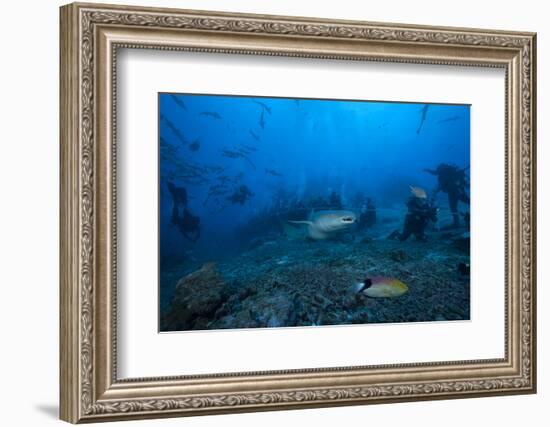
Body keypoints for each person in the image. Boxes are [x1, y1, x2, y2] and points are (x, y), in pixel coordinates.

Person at [423, 163, 469, 228]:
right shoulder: (449, 172)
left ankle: (456, 223)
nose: (438, 172)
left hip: (454, 192)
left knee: (454, 207)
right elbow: (437, 176)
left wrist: (427, 170)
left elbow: (436, 176)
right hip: (457, 191)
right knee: (463, 203)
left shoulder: (443, 174)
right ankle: (456, 223)